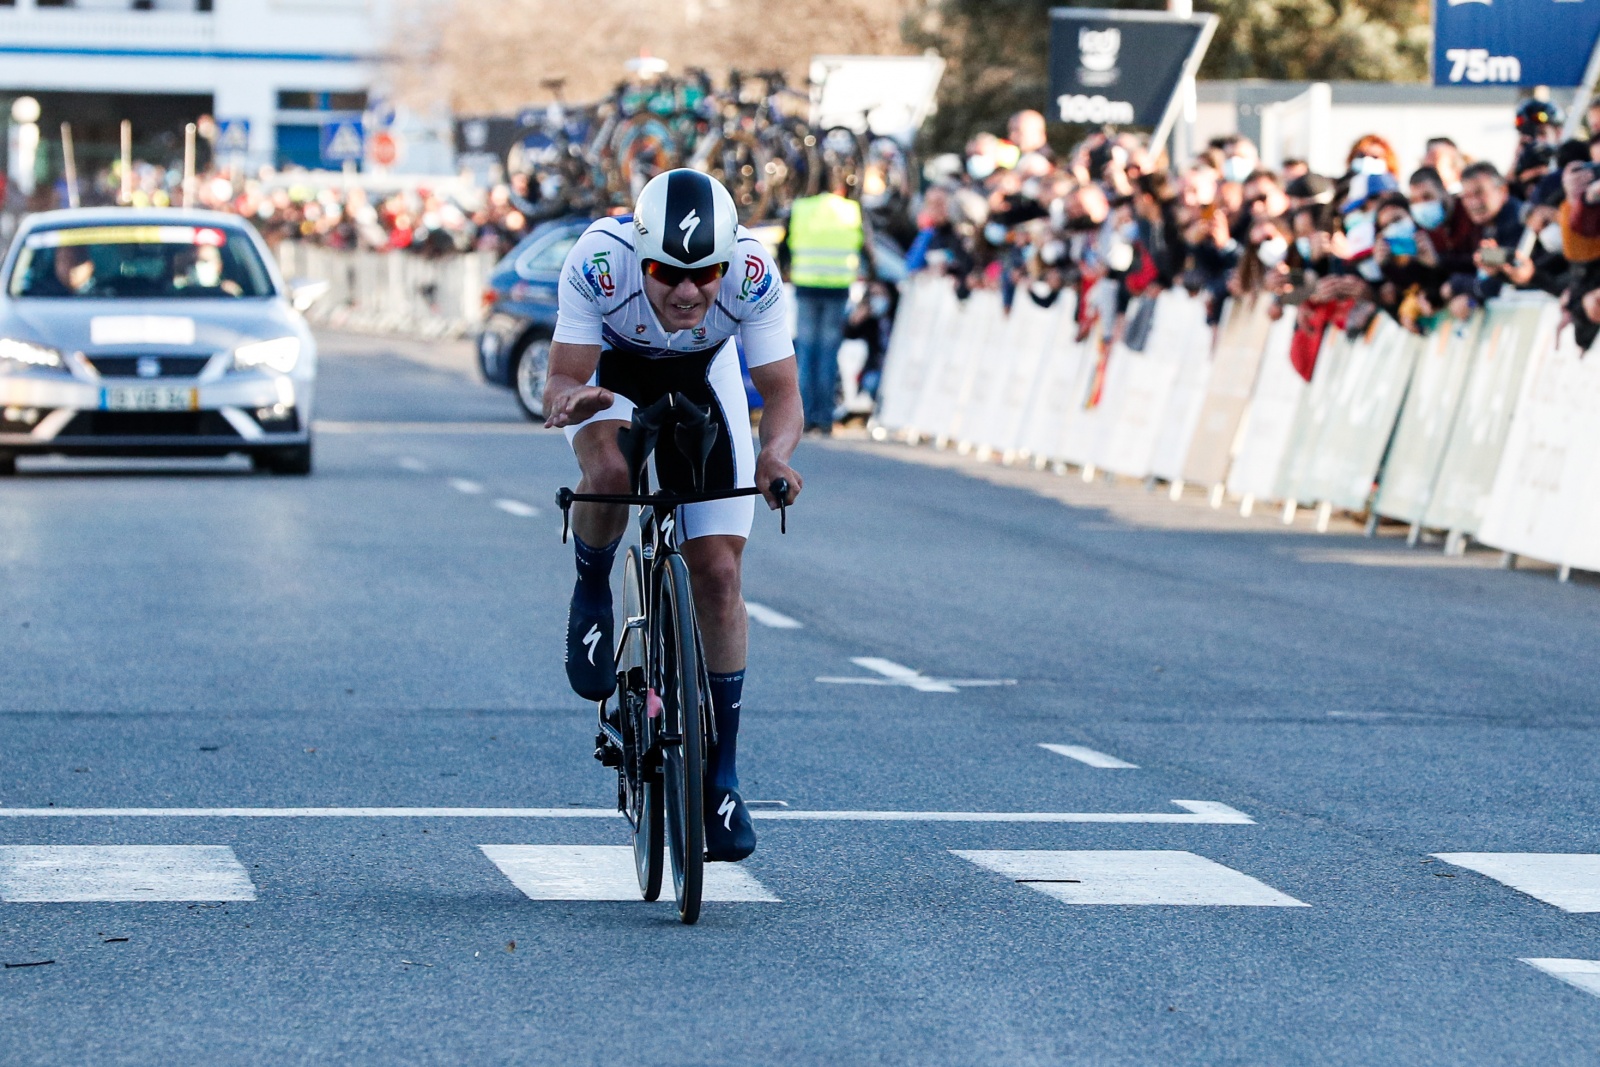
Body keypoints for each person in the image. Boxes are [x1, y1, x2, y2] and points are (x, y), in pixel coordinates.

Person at [542, 169, 804, 863]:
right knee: (610, 473)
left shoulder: (752, 272)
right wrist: (570, 400)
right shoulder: (600, 260)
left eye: (704, 273)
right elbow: (562, 377)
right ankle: (592, 588)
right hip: (614, 379)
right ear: (639, 252)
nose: (688, 291)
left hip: (704, 379)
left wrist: (774, 457)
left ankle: (721, 772)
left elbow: (781, 393)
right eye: (665, 272)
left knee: (718, 573)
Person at [783, 174, 867, 432]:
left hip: (806, 286)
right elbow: (862, 247)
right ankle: (825, 418)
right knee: (828, 355)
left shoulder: (801, 208)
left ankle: (805, 417)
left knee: (807, 352)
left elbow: (785, 245)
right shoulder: (851, 211)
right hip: (837, 289)